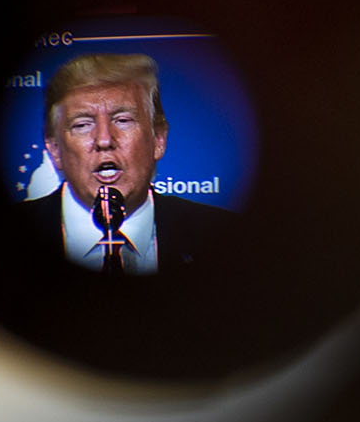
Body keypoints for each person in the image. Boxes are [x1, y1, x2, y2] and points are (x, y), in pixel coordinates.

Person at [19, 53, 235, 275]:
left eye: (123, 120)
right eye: (82, 125)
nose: (104, 140)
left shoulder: (226, 237)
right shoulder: (5, 235)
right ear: (55, 149)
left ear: (158, 139)